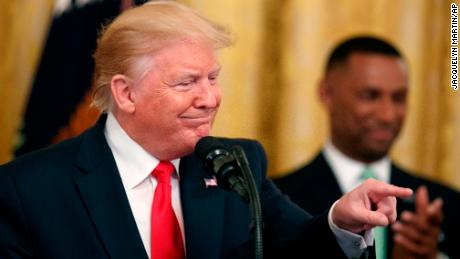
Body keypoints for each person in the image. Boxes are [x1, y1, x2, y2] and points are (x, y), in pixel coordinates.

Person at [0, 3, 412, 259]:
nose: (210, 98)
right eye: (187, 83)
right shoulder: (27, 189)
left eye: (213, 78)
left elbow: (296, 248)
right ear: (125, 93)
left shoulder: (237, 163)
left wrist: (340, 220)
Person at [274, 36, 460, 259]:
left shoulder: (445, 205)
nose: (387, 115)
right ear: (327, 94)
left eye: (399, 98)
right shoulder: (277, 201)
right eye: (370, 96)